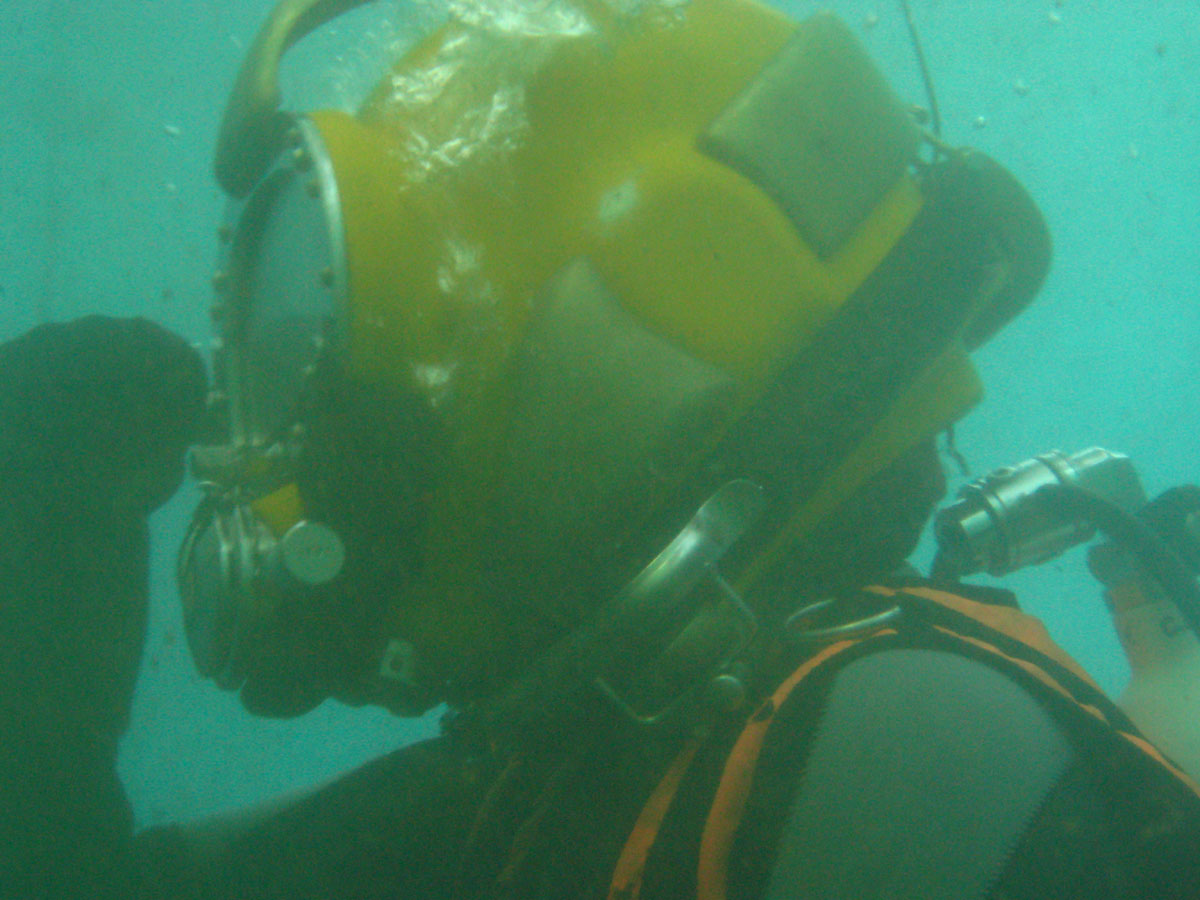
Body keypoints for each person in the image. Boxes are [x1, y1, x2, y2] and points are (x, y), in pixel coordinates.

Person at [6, 0, 1200, 897]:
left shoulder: (888, 748)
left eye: (337, 385)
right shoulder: (582, 758)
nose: (285, 470)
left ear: (604, 386)